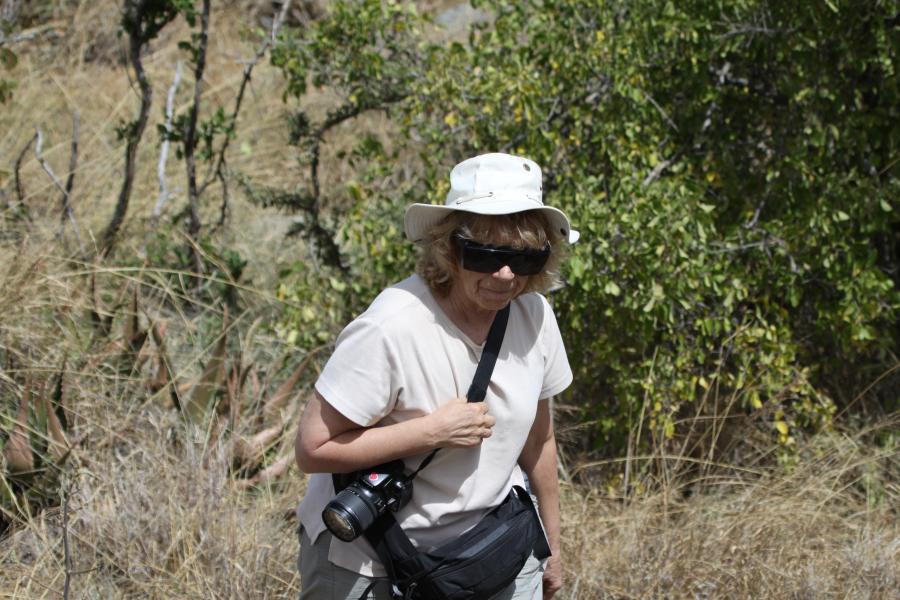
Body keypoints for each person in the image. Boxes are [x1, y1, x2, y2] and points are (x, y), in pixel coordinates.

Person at [294, 152, 578, 600]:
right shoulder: (391, 327)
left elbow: (539, 441)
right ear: (449, 249)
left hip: (490, 546)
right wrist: (431, 432)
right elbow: (312, 448)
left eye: (525, 259)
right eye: (484, 254)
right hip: (374, 559)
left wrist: (552, 547)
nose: (505, 274)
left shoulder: (534, 316)